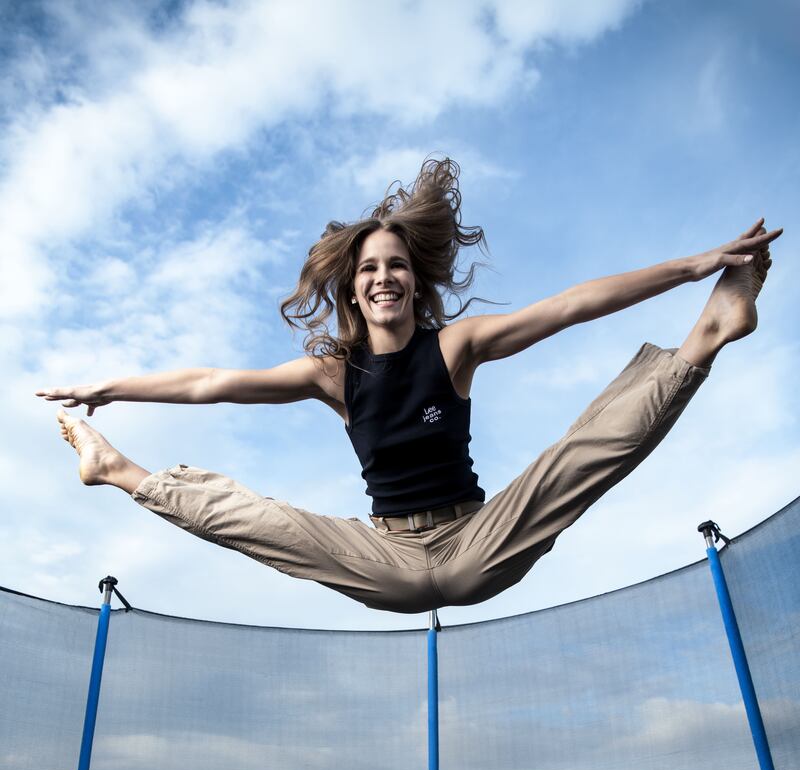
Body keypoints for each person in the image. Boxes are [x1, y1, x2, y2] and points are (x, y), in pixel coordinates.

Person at [41, 159, 780, 614]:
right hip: (384, 559)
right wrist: (115, 387)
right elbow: (212, 382)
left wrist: (691, 267)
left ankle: (709, 330)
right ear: (353, 292)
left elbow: (572, 303)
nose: (383, 276)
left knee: (579, 458)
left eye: (395, 264)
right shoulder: (333, 374)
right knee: (263, 522)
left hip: (476, 541)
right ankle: (116, 469)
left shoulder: (454, 347)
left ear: (412, 281)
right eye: (368, 269)